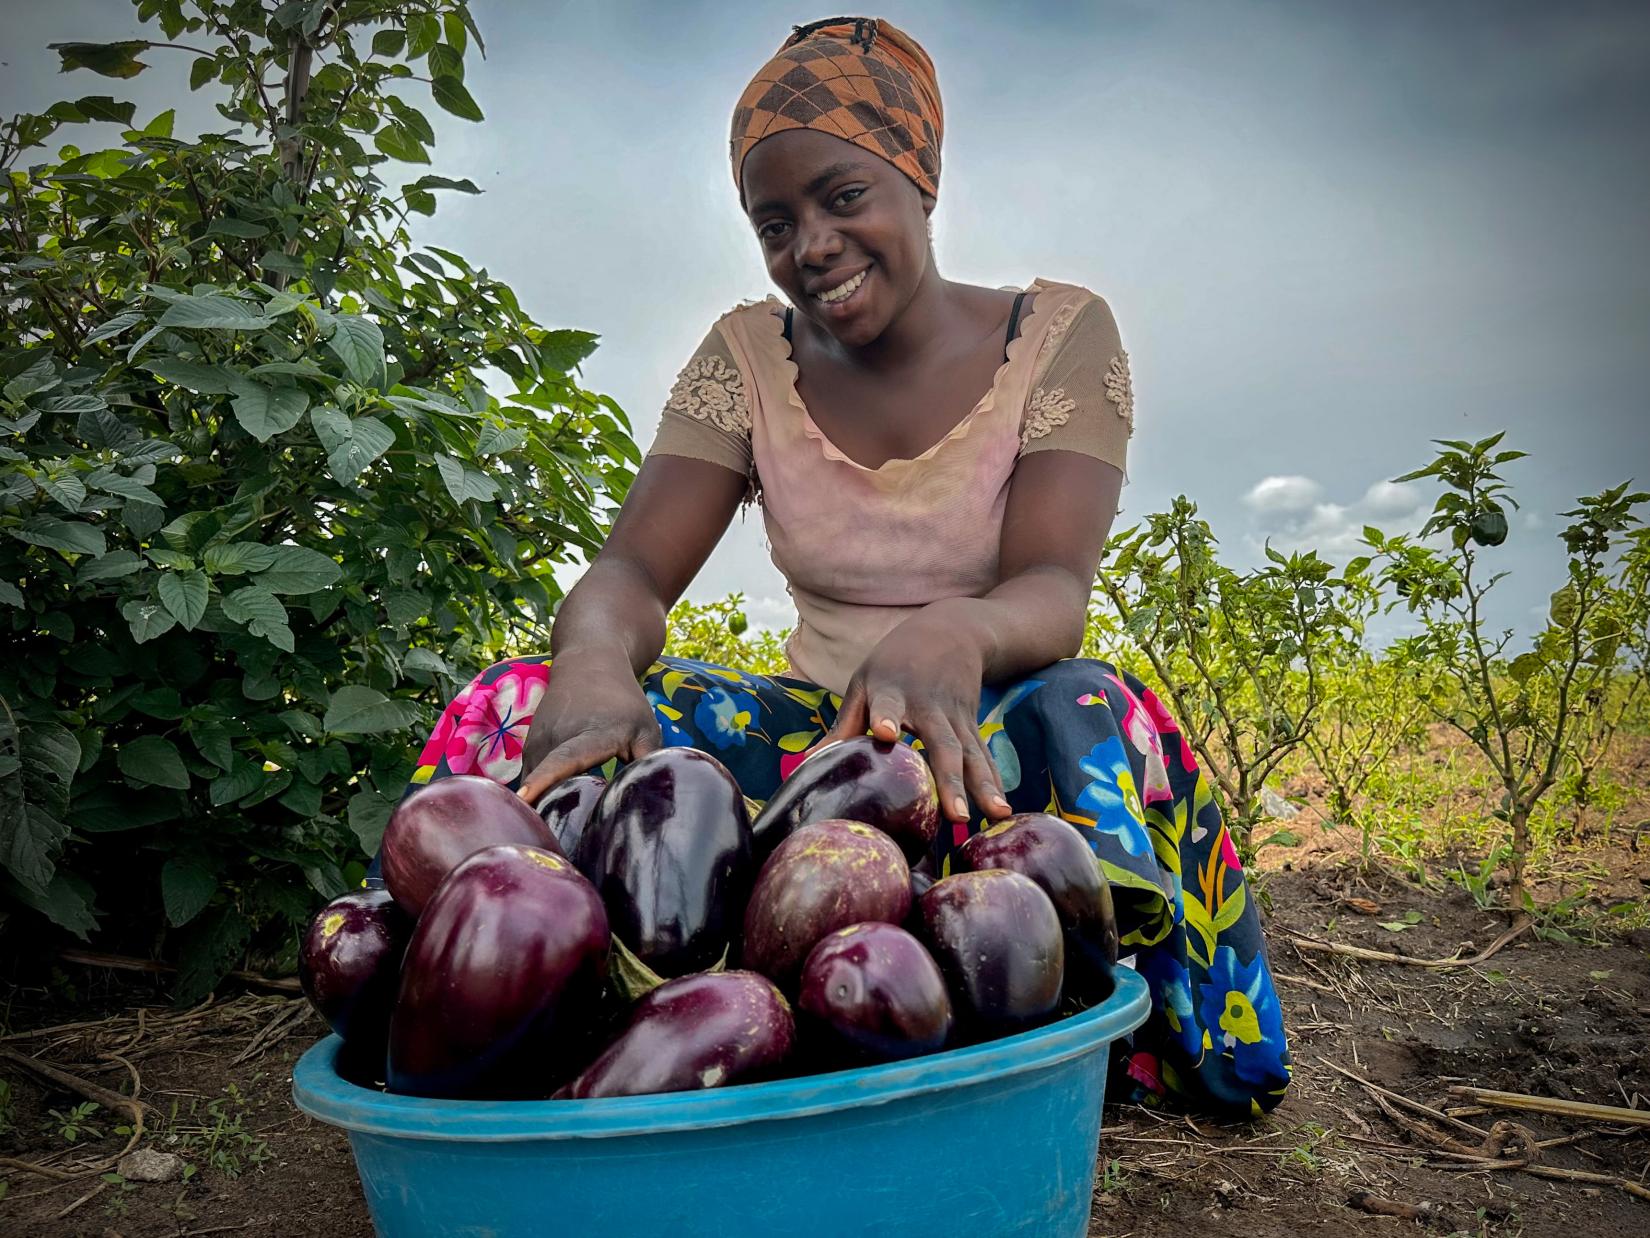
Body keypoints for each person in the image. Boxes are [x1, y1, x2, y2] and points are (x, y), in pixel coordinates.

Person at [399, 17, 1289, 1116]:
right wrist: (591, 656)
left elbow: (1054, 586)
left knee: (1090, 707)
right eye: (775, 222)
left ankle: (1099, 1046)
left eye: (843, 197)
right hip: (814, 762)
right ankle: (506, 1007)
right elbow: (632, 565)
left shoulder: (1059, 333)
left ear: (919, 177)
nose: (810, 243)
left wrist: (954, 630)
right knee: (517, 696)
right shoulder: (746, 358)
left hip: (989, 748)